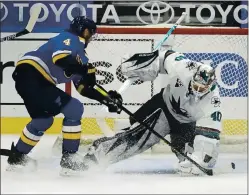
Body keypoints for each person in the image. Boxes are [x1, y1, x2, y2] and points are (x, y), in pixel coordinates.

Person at [6, 16, 123, 176]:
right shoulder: (71, 38)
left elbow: (83, 88)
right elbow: (60, 59)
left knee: (43, 120)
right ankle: (69, 160)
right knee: (74, 109)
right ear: (84, 30)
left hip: (29, 80)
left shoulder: (81, 56)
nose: (91, 37)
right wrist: (84, 70)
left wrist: (106, 99)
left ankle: (17, 159)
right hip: (32, 74)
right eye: (91, 32)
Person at [81, 49, 222, 176]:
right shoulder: (183, 67)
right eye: (196, 86)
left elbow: (211, 135)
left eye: (202, 89)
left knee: (189, 162)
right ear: (193, 76)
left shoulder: (213, 100)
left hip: (186, 124)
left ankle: (188, 160)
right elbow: (164, 58)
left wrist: (200, 161)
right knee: (135, 139)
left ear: (210, 86)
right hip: (163, 108)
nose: (197, 91)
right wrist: (141, 64)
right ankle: (95, 156)